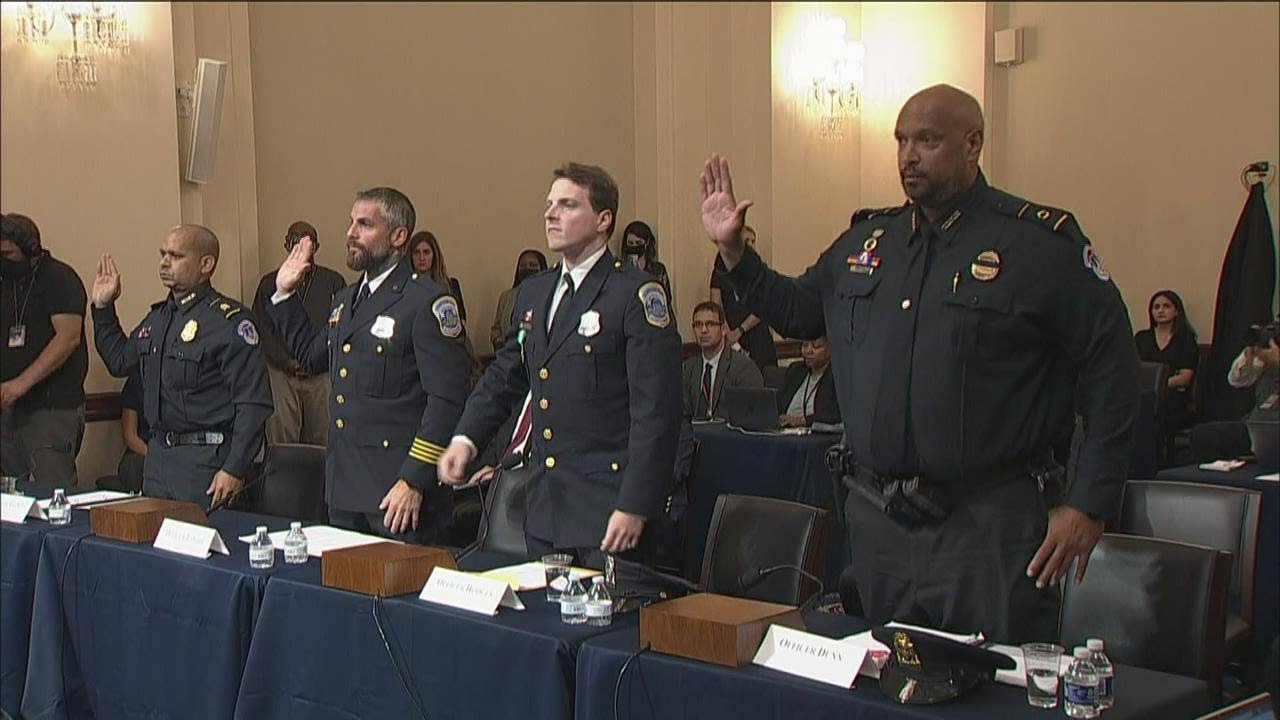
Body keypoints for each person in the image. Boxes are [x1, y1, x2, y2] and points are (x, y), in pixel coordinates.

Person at [697, 84, 1140, 645]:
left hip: (987, 527)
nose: (908, 156)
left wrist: (1089, 502)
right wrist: (735, 252)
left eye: (927, 140)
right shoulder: (870, 242)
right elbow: (798, 311)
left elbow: (1112, 371)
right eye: (901, 140)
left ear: (973, 143)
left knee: (989, 692)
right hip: (880, 524)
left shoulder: (1036, 244)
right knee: (885, 684)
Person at [439, 163, 682, 568]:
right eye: (550, 204)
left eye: (567, 205)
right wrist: (466, 439)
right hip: (547, 505)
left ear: (604, 219)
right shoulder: (535, 293)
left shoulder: (634, 295)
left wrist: (637, 502)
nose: (551, 214)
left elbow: (657, 412)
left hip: (610, 506)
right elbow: (504, 377)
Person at [269, 187, 471, 544]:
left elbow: (448, 401)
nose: (350, 232)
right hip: (345, 489)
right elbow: (313, 356)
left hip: (400, 494)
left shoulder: (426, 301)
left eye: (364, 224)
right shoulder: (346, 301)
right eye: (350, 222)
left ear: (398, 236)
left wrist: (415, 479)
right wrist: (284, 295)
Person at [91, 225, 273, 507]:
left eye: (175, 256)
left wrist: (234, 467)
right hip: (158, 460)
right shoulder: (159, 319)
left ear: (206, 264)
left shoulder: (229, 322)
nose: (164, 262)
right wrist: (103, 309)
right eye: (163, 254)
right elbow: (119, 360)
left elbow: (253, 404)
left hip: (207, 461)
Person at [0, 214, 88, 488]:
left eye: (8, 253)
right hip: (9, 410)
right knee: (13, 493)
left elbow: (68, 338)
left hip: (51, 408)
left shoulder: (59, 277)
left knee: (52, 491)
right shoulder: (6, 282)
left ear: (31, 249)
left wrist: (19, 385)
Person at [252, 221, 348, 446]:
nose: (299, 246)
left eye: (307, 241)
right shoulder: (270, 283)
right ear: (286, 244)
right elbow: (261, 329)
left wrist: (316, 359)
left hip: (321, 374)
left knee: (323, 437)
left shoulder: (333, 281)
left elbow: (340, 326)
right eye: (294, 240)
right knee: (282, 438)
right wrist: (287, 362)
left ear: (317, 246)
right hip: (282, 373)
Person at [1190, 324, 1279, 462]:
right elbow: (1236, 380)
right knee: (1204, 434)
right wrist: (1250, 354)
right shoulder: (1270, 348)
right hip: (1258, 425)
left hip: (1274, 430)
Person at [710, 225, 778, 369]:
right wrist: (727, 331)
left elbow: (762, 307)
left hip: (756, 332)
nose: (751, 245)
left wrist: (741, 330)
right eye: (747, 241)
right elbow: (715, 305)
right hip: (731, 333)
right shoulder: (720, 271)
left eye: (754, 241)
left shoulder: (759, 271)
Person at [682, 300, 762, 419]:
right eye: (698, 325)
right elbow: (683, 413)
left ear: (724, 329)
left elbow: (752, 415)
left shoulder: (743, 367)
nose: (703, 330)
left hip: (729, 435)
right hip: (694, 435)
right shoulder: (688, 368)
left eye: (710, 324)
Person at [1133, 290, 1199, 429]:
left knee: (1151, 404)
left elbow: (1184, 378)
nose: (1160, 311)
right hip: (1141, 391)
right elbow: (1131, 368)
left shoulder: (1185, 340)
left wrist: (1157, 385)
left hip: (1172, 395)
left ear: (1176, 311)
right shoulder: (1141, 338)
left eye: (1166, 306)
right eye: (1156, 307)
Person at [490, 249, 548, 350]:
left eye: (533, 265)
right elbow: (497, 327)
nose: (527, 268)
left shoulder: (548, 296)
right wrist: (497, 340)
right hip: (507, 355)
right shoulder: (506, 297)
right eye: (523, 266)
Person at [777, 336, 840, 427]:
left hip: (817, 433)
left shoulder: (837, 377)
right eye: (805, 345)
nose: (808, 351)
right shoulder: (795, 370)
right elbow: (778, 403)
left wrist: (802, 421)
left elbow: (835, 413)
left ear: (830, 348)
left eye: (816, 346)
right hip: (785, 430)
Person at [409, 230, 467, 323]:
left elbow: (461, 322)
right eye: (416, 252)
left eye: (426, 252)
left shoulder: (450, 285)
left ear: (434, 255)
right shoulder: (403, 288)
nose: (422, 258)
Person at [621, 220, 674, 315]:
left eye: (638, 242)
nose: (634, 246)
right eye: (630, 243)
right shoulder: (621, 270)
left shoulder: (658, 270)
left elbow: (667, 298)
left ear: (647, 243)